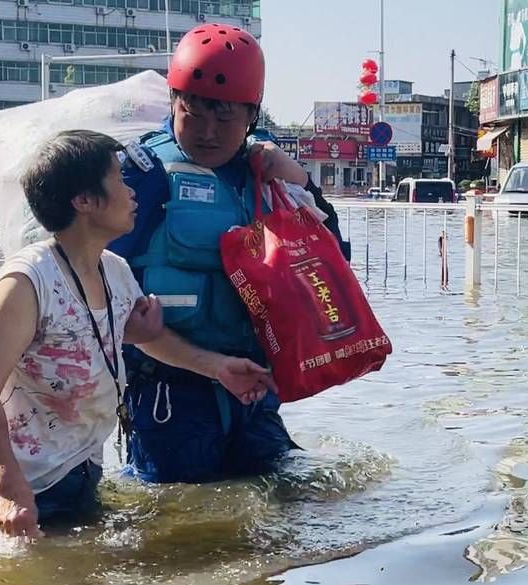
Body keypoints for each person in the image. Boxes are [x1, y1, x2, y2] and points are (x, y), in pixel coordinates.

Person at [0, 129, 270, 535]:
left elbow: (152, 340)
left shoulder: (115, 272)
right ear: (84, 201)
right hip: (14, 491)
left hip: (78, 475)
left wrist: (218, 368)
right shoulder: (25, 282)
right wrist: (12, 491)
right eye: (119, 181)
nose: (132, 193)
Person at [109, 23, 349, 485]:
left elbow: (332, 264)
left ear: (251, 117)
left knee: (296, 509)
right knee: (182, 531)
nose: (208, 132)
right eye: (193, 114)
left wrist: (302, 182)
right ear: (174, 102)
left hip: (255, 396)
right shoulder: (141, 176)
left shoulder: (267, 174)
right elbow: (89, 286)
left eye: (225, 119)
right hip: (170, 398)